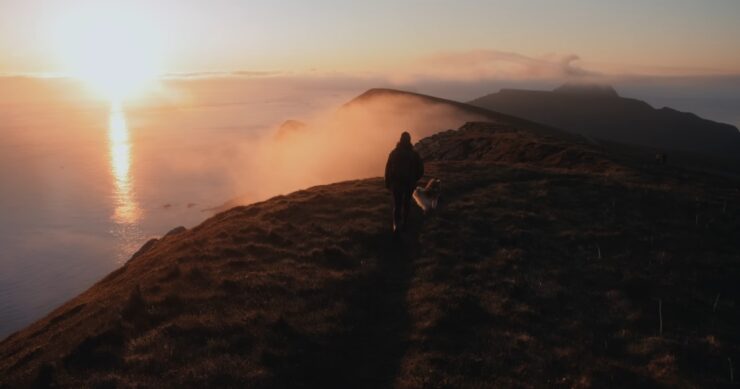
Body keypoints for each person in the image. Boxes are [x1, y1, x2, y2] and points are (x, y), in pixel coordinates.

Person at [384, 131, 424, 232]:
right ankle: (405, 223)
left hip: (396, 184)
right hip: (409, 184)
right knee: (406, 203)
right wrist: (414, 179)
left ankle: (396, 225)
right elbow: (421, 169)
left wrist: (388, 183)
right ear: (409, 140)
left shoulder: (394, 153)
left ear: (400, 140)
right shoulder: (414, 154)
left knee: (397, 205)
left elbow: (388, 168)